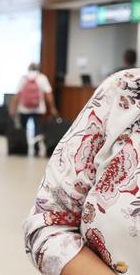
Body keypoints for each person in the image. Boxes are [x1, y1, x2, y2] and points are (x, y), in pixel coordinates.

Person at [23, 69, 140, 275]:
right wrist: (52, 108)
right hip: (37, 109)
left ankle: (29, 146)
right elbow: (48, 220)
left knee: (27, 132)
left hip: (29, 109)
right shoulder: (124, 92)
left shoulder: (29, 78)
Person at [9, 63, 58, 156]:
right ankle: (36, 148)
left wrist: (12, 109)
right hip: (38, 109)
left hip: (23, 109)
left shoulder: (23, 78)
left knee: (23, 128)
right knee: (37, 128)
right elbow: (48, 94)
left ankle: (23, 147)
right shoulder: (42, 78)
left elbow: (17, 95)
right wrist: (52, 107)